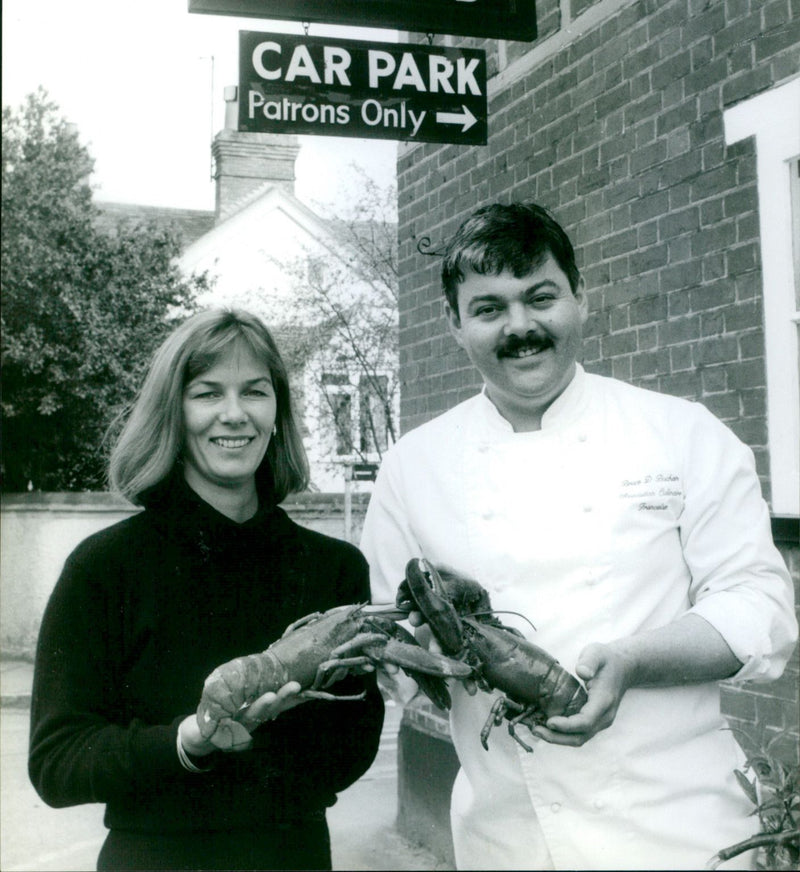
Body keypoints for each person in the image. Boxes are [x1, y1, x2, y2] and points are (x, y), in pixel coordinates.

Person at [360, 202, 797, 872]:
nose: (521, 328)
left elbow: (761, 607)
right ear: (453, 323)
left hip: (679, 829)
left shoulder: (682, 433)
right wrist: (412, 662)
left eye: (541, 298)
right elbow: (402, 640)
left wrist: (631, 662)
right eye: (489, 308)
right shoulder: (411, 467)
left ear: (581, 298)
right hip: (506, 836)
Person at [29, 307, 384, 872]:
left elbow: (351, 749)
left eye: (255, 392)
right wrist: (189, 741)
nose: (235, 414)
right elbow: (56, 764)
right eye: (207, 393)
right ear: (173, 410)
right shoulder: (104, 566)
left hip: (292, 854)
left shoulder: (334, 568)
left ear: (279, 413)